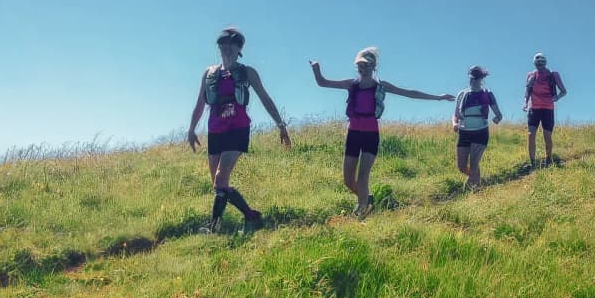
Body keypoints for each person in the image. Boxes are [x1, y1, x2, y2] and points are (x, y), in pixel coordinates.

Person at [309, 47, 454, 216]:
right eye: (359, 66)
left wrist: (438, 97)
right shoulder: (351, 84)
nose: (362, 69)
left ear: (373, 67)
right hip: (353, 134)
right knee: (348, 181)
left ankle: (362, 211)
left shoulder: (381, 86)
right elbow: (323, 82)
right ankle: (367, 199)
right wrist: (316, 68)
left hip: (371, 134)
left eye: (366, 66)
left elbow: (409, 93)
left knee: (363, 176)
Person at [187, 27, 290, 232]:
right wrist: (191, 129)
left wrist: (281, 126)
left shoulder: (247, 72)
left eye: (231, 43)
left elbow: (265, 98)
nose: (226, 47)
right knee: (219, 186)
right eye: (222, 43)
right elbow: (200, 102)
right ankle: (251, 216)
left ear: (239, 48)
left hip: (238, 129)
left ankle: (213, 228)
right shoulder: (209, 73)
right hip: (215, 130)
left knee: (220, 177)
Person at [452, 65, 503, 188]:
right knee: (462, 167)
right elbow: (455, 115)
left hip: (480, 132)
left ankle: (472, 189)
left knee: (474, 165)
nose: (473, 81)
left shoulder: (487, 93)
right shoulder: (462, 94)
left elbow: (499, 115)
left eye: (476, 78)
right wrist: (454, 123)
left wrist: (496, 119)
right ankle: (477, 178)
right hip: (464, 132)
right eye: (471, 78)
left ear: (481, 79)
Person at [523, 52, 567, 167]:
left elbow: (564, 91)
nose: (540, 66)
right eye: (538, 63)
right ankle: (532, 162)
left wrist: (556, 97)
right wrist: (525, 103)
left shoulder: (553, 75)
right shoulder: (531, 75)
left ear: (545, 63)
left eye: (542, 63)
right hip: (534, 108)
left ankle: (548, 160)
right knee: (530, 134)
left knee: (547, 135)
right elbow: (527, 90)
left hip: (548, 108)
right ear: (534, 64)